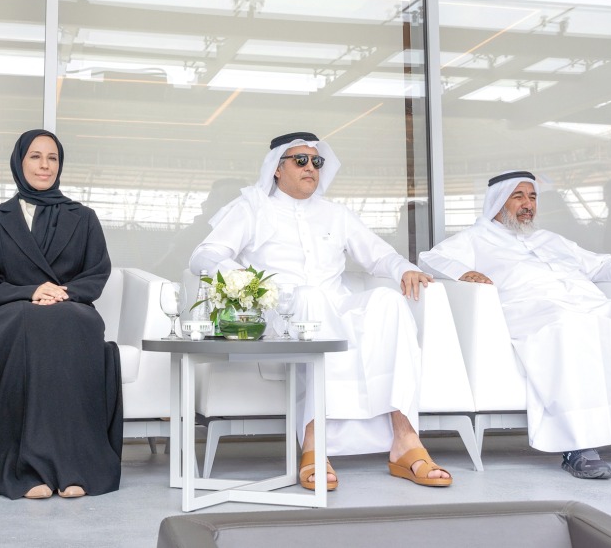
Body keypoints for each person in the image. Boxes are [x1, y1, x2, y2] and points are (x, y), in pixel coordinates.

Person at [189, 131, 451, 490]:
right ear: (277, 169)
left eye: (316, 161)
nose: (310, 167)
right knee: (311, 299)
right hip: (283, 312)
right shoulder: (251, 208)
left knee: (389, 301)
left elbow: (379, 254)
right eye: (300, 160)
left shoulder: (336, 214)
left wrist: (403, 269)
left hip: (335, 303)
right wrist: (243, 279)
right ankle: (314, 443)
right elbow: (203, 256)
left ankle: (405, 442)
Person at [419, 170, 611, 479]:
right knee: (568, 332)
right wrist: (463, 273)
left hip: (588, 305)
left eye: (533, 197)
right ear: (498, 202)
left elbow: (600, 263)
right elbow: (430, 259)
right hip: (534, 312)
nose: (528, 204)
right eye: (519, 196)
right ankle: (577, 444)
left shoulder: (550, 239)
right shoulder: (474, 239)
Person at [0, 129, 122, 500]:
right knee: (29, 320)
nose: (44, 165)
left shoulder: (84, 217)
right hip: (6, 314)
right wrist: (30, 291)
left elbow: (96, 273)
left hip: (70, 308)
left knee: (68, 321)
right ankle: (22, 469)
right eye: (35, 156)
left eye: (52, 158)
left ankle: (76, 468)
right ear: (20, 163)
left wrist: (62, 293)